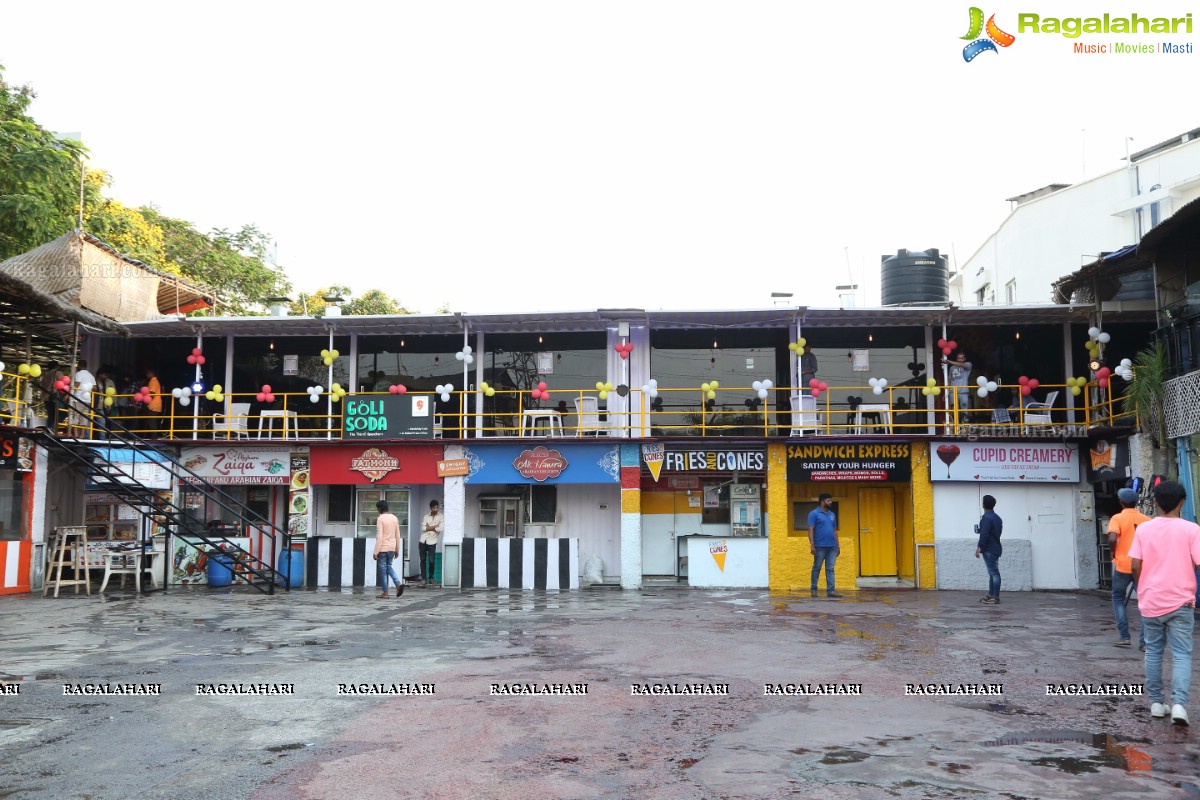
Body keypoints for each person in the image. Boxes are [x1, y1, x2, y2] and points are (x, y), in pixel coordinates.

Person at [1130, 480, 1200, 726]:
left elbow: (1135, 565)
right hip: (1182, 602)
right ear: (1183, 502)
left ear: (1156, 503)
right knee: (1182, 655)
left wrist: (1143, 587)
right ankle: (1179, 704)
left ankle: (1157, 703)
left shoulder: (1144, 529)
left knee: (1153, 652)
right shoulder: (1192, 530)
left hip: (1151, 600)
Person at [1108, 487, 1150, 648]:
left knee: (1118, 598)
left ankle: (1124, 636)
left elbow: (1112, 538)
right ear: (1137, 502)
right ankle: (1145, 641)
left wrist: (1113, 552)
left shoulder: (1117, 518)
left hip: (1123, 565)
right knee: (1144, 602)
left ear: (1121, 502)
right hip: (1142, 566)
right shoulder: (1147, 520)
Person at [807, 493, 841, 598]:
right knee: (817, 567)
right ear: (822, 502)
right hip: (819, 546)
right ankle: (813, 589)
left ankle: (831, 591)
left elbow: (835, 531)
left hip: (832, 547)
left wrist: (838, 545)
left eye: (830, 500)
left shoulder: (832, 515)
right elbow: (810, 530)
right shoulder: (814, 514)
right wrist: (812, 545)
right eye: (828, 501)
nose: (830, 502)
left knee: (830, 568)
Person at [372, 500, 404, 599]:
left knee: (382, 570)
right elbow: (398, 535)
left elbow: (379, 536)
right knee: (388, 566)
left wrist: (375, 551)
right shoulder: (394, 518)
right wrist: (397, 549)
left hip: (383, 548)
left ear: (380, 508)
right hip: (391, 548)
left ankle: (385, 593)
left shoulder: (380, 519)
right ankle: (398, 584)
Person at [975, 494, 1003, 604]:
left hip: (989, 548)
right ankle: (991, 595)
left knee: (994, 573)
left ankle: (995, 597)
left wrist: (980, 547)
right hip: (996, 547)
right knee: (992, 572)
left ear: (983, 505)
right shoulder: (997, 518)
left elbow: (985, 534)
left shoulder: (986, 517)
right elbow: (996, 532)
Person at [68, 360, 97, 437]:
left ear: (79, 365)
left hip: (78, 398)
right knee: (84, 417)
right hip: (88, 399)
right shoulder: (91, 376)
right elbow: (94, 388)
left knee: (76, 415)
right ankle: (82, 435)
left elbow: (76, 385)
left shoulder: (79, 374)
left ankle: (76, 435)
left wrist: (70, 388)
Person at [419, 499, 444, 587]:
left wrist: (429, 527)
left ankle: (431, 577)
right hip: (423, 540)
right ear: (431, 508)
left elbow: (440, 528)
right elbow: (423, 528)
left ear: (438, 507)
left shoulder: (441, 516)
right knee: (423, 560)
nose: (435, 509)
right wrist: (434, 527)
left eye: (436, 508)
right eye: (433, 508)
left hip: (432, 541)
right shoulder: (426, 516)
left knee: (431, 561)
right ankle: (423, 579)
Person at [944, 351, 972, 416]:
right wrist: (946, 391)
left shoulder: (968, 364)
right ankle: (955, 424)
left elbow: (961, 365)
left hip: (963, 391)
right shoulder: (952, 368)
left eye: (961, 358)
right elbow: (949, 380)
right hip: (953, 391)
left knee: (964, 408)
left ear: (965, 359)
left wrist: (949, 361)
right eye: (958, 358)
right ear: (956, 359)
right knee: (953, 408)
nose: (960, 360)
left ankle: (964, 424)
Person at [144, 368, 163, 434]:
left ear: (151, 373)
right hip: (155, 404)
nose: (147, 376)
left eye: (148, 374)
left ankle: (154, 437)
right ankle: (153, 436)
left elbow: (152, 393)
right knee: (152, 421)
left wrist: (147, 402)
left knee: (152, 421)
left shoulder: (153, 381)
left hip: (153, 404)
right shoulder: (154, 381)